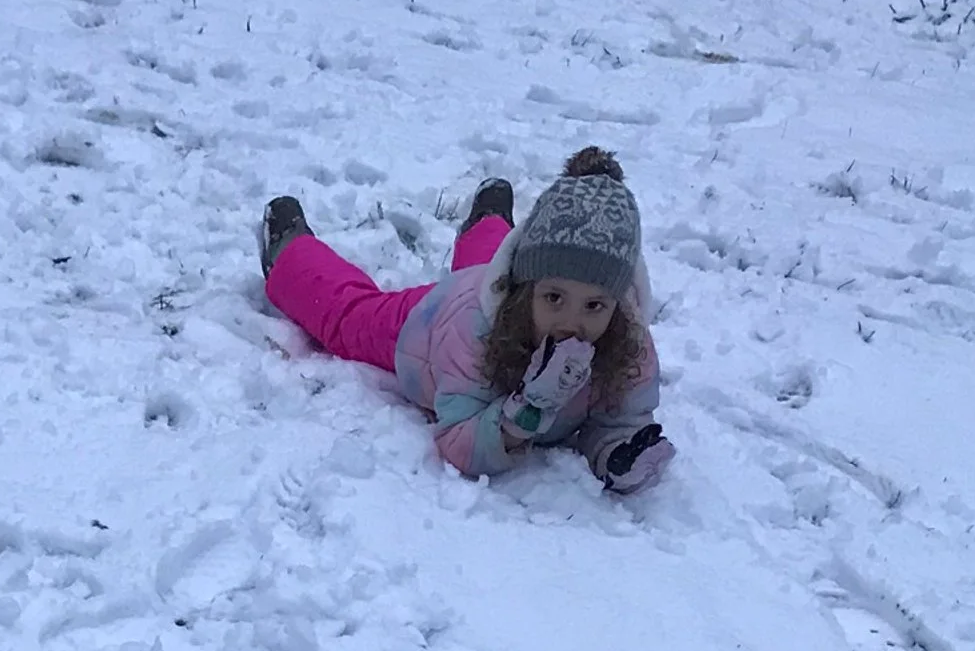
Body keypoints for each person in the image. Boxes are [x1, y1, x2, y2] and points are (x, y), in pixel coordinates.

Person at [258, 147, 673, 492]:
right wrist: (527, 410)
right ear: (525, 288)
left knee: (489, 265)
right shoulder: (474, 330)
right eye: (554, 298)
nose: (571, 321)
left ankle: (489, 221)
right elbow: (458, 443)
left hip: (494, 281)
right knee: (350, 318)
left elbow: (620, 418)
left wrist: (622, 454)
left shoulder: (627, 343)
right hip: (430, 322)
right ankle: (291, 257)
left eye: (594, 306)